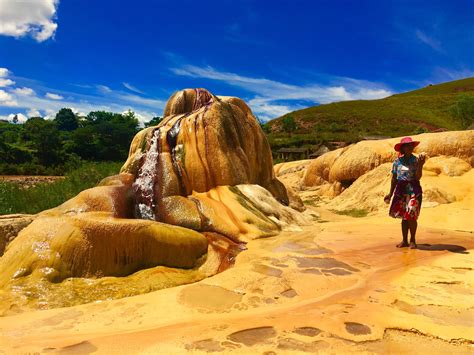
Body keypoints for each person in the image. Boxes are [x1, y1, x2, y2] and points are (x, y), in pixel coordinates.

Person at [384, 137, 426, 249]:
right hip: (401, 192)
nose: (410, 147)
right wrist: (390, 194)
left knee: (411, 215)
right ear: (402, 148)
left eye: (411, 145)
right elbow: (394, 179)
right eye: (407, 145)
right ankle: (404, 240)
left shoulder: (416, 161)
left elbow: (418, 177)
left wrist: (421, 165)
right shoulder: (397, 162)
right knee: (404, 217)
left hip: (413, 191)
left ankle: (413, 240)